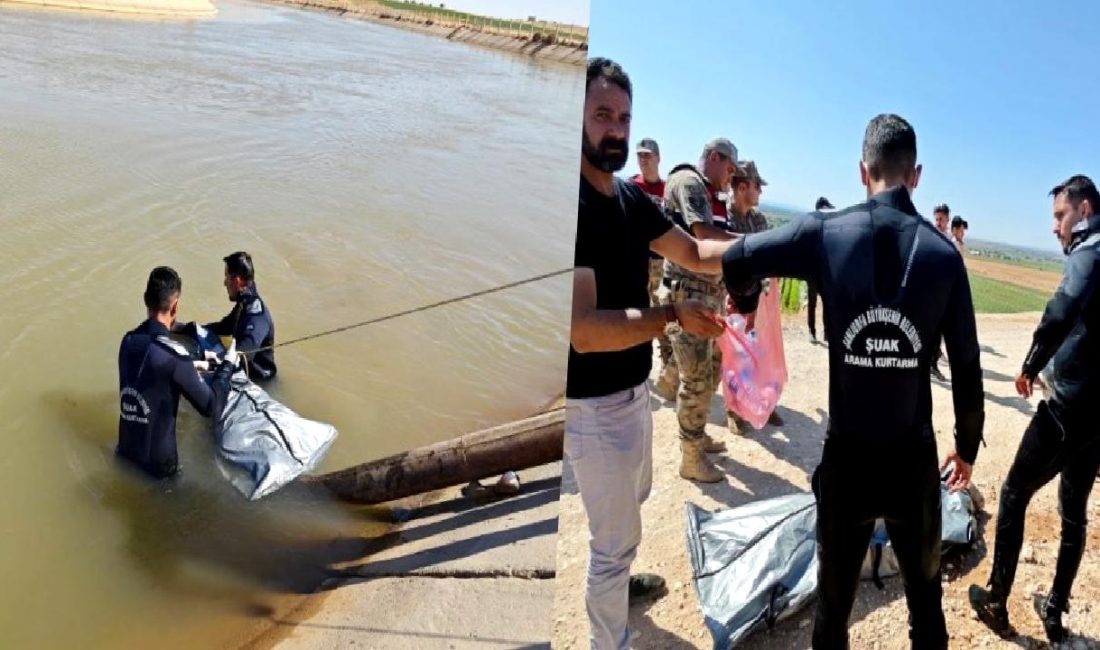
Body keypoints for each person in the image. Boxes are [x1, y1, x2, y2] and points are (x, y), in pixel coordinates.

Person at [722, 114, 984, 650]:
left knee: (833, 614)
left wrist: (746, 300)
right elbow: (968, 365)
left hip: (849, 465)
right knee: (926, 610)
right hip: (914, 466)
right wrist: (966, 445)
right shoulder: (943, 256)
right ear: (917, 175)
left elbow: (736, 257)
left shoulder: (825, 233)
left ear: (862, 171)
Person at [568, 57, 738, 650]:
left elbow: (694, 253)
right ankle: (607, 640)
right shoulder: (574, 207)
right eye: (601, 115)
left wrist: (774, 248)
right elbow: (584, 331)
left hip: (633, 391)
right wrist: (670, 316)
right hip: (591, 407)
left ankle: (616, 581)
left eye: (623, 117)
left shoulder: (625, 199)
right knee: (609, 545)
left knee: (628, 508)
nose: (614, 129)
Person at [969, 175, 1100, 644]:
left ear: (1084, 211)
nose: (1054, 228)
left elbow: (1061, 312)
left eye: (1059, 216)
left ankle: (997, 600)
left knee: (1013, 492)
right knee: (1074, 515)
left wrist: (1030, 364)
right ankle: (1055, 610)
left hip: (1069, 407)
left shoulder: (1091, 249)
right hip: (1096, 418)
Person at [654, 137, 742, 483]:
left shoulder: (706, 191)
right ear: (715, 158)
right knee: (696, 379)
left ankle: (698, 434)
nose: (730, 179)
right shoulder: (689, 182)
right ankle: (690, 457)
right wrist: (751, 245)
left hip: (707, 298)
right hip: (688, 296)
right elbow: (703, 234)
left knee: (711, 371)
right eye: (730, 170)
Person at [117, 267, 238, 479]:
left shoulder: (127, 341)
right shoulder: (175, 357)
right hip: (159, 473)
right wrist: (227, 365)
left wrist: (195, 364)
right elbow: (210, 406)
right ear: (175, 306)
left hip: (124, 457)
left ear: (146, 299)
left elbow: (154, 369)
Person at [724, 160, 786, 432]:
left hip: (756, 300)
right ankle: (734, 410)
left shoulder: (757, 220)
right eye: (756, 186)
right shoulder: (724, 218)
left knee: (760, 353)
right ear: (742, 186)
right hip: (731, 300)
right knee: (734, 357)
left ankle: (762, 402)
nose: (760, 191)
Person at [631, 138, 673, 373]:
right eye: (640, 155)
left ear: (658, 158)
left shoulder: (667, 191)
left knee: (661, 312)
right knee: (634, 310)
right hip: (635, 259)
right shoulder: (630, 187)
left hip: (660, 261)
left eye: (648, 155)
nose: (643, 160)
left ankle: (667, 363)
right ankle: (635, 360)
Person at [203, 252, 277, 382]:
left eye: (227, 277)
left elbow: (241, 356)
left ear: (237, 281)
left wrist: (203, 363)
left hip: (260, 382)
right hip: (244, 372)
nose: (224, 283)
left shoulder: (256, 317)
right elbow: (224, 327)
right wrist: (189, 328)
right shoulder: (244, 304)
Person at [806, 196, 835, 344]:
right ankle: (812, 332)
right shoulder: (811, 226)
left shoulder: (828, 227)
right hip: (812, 272)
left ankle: (827, 334)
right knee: (812, 303)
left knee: (826, 303)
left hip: (823, 272)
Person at [929, 203, 952, 381]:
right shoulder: (928, 235)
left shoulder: (948, 240)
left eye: (941, 219)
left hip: (941, 292)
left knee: (938, 331)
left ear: (947, 220)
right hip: (929, 291)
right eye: (936, 219)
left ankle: (933, 363)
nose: (938, 222)